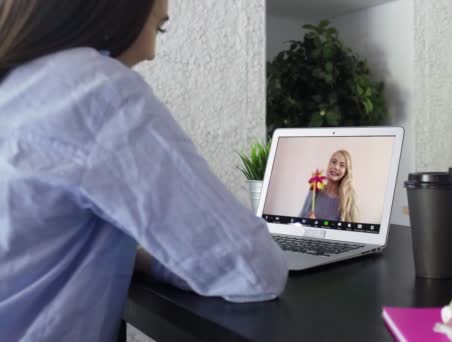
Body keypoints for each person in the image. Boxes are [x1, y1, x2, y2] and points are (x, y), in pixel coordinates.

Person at [0, 1, 288, 341]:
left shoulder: (16, 85)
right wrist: (151, 262)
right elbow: (254, 270)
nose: (151, 53)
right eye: (158, 27)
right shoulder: (93, 89)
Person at [300, 150, 359, 222]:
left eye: (342, 165)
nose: (336, 167)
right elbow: (300, 218)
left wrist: (317, 225)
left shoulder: (348, 199)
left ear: (346, 172)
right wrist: (307, 221)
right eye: (334, 162)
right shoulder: (314, 190)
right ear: (329, 164)